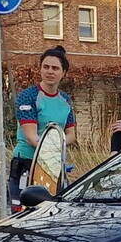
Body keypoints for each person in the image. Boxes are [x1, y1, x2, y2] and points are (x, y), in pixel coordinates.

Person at [9, 45, 77, 212]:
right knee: (22, 213)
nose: (50, 71)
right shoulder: (28, 97)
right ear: (40, 69)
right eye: (45, 67)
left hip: (54, 166)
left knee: (52, 212)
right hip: (26, 163)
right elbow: (32, 138)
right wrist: (54, 145)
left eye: (55, 68)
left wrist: (57, 146)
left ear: (63, 73)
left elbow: (71, 135)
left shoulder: (65, 100)